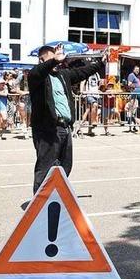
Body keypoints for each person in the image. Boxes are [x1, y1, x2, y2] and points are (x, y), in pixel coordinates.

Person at [29, 44, 106, 194]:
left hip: (64, 127)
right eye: (52, 59)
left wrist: (101, 63)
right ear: (41, 60)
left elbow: (82, 72)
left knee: (65, 165)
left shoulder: (62, 75)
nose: (58, 61)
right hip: (47, 130)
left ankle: (56, 195)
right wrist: (54, 61)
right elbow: (36, 72)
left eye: (58, 58)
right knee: (45, 166)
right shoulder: (37, 77)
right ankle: (38, 204)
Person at [80, 71, 101, 136]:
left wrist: (98, 90)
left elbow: (99, 83)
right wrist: (81, 91)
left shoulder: (97, 74)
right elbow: (83, 81)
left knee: (88, 111)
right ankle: (93, 121)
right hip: (88, 94)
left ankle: (87, 129)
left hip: (96, 95)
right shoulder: (87, 72)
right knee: (94, 105)